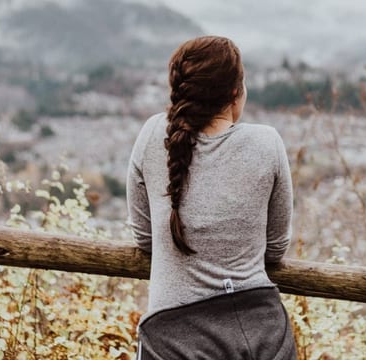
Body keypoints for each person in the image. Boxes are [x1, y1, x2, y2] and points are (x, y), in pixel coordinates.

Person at [126, 36, 296, 360]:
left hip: (171, 340)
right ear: (235, 92)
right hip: (261, 334)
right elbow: (276, 247)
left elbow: (144, 238)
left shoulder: (152, 135)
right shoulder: (267, 143)